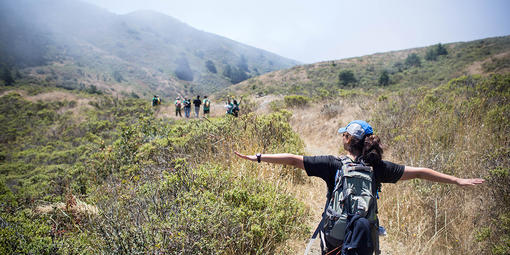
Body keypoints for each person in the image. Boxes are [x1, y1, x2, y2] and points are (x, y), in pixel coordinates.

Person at [234, 120, 484, 255]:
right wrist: (457, 180)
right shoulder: (378, 168)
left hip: (334, 234)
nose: (341, 136)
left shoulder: (332, 164)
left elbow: (292, 159)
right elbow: (419, 172)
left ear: (349, 140)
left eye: (344, 134)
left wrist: (257, 157)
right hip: (364, 235)